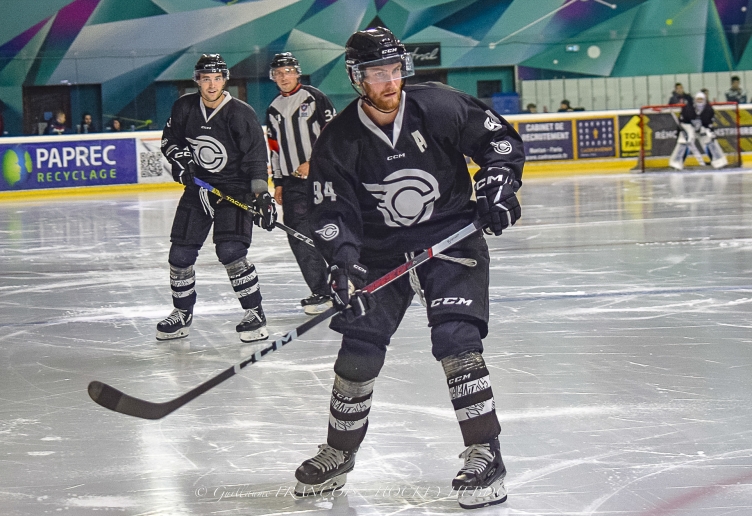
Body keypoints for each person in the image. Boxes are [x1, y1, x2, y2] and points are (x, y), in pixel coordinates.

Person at [293, 27, 524, 509]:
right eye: (377, 73)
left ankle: (485, 452)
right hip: (381, 253)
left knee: (457, 341)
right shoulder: (339, 139)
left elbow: (498, 142)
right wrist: (342, 263)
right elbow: (333, 211)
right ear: (357, 79)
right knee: (358, 351)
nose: (389, 81)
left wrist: (499, 184)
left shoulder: (439, 105)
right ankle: (339, 453)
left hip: (450, 237)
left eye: (395, 69)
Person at [157, 54, 277, 343]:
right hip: (199, 188)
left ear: (225, 80)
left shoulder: (241, 113)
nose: (211, 85)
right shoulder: (184, 107)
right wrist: (181, 160)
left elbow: (256, 159)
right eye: (206, 78)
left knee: (231, 252)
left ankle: (254, 313)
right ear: (197, 80)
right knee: (180, 255)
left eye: (217, 78)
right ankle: (182, 313)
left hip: (234, 190)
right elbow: (169, 140)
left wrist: (261, 196)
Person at [266, 52, 337, 315]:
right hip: (293, 185)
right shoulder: (273, 108)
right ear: (273, 77)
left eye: (287, 71)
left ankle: (346, 282)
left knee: (331, 231)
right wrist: (279, 182)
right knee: (299, 237)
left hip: (324, 178)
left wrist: (313, 162)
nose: (283, 77)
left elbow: (333, 134)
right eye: (278, 73)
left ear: (297, 73)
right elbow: (274, 148)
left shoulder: (315, 98)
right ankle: (320, 291)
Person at [669, 92, 727, 170]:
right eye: (698, 99)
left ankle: (719, 161)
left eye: (701, 99)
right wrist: (688, 132)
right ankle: (676, 163)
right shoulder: (687, 108)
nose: (699, 101)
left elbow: (709, 124)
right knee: (684, 141)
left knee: (709, 140)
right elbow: (682, 122)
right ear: (694, 100)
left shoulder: (709, 109)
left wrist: (708, 131)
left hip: (702, 129)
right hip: (688, 128)